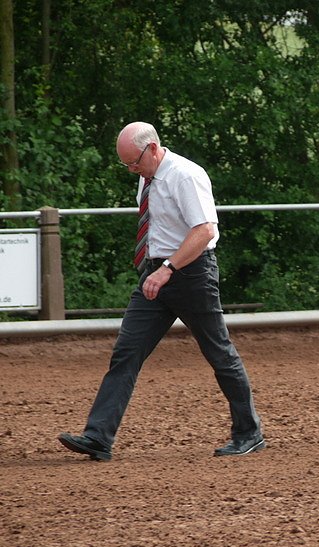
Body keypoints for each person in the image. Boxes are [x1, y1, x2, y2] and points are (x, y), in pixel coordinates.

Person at [58, 122, 265, 461]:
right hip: (156, 275)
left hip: (191, 274)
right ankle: (98, 437)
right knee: (126, 352)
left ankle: (249, 433)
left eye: (134, 162)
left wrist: (168, 269)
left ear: (152, 148)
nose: (131, 170)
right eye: (125, 164)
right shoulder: (148, 175)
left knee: (219, 353)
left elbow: (204, 231)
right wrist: (155, 269)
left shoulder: (185, 175)